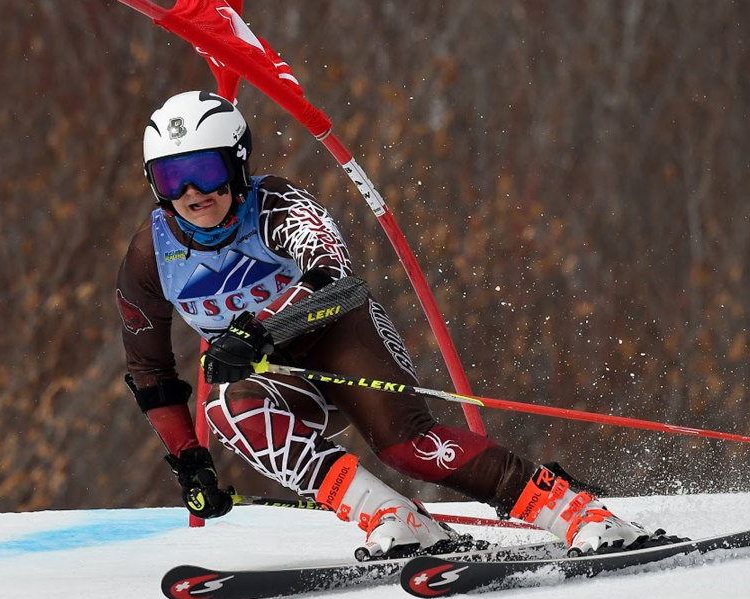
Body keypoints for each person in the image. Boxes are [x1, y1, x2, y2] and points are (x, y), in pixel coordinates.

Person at [115, 90, 664, 559]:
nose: (192, 192)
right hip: (278, 374)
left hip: (339, 338)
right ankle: (400, 522)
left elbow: (337, 281)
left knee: (408, 449)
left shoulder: (276, 205)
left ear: (236, 164)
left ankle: (578, 514)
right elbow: (149, 370)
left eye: (206, 170)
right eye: (172, 177)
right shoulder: (149, 256)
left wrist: (258, 329)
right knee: (228, 410)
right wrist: (190, 461)